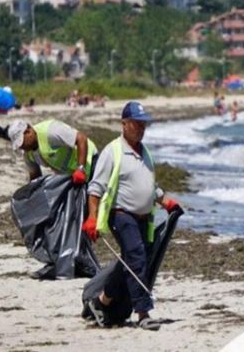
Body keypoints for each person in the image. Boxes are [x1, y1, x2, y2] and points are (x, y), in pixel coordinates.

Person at [81, 101, 181, 330]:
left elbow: (148, 184)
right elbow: (95, 188)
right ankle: (143, 313)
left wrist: (166, 201)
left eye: (143, 124)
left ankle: (101, 301)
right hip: (121, 215)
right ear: (124, 124)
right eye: (136, 123)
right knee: (136, 256)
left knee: (130, 261)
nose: (141, 128)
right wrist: (92, 218)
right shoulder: (112, 151)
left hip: (144, 219)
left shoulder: (144, 151)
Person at [7, 119, 98, 184]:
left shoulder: (51, 131)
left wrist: (80, 168)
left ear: (28, 131)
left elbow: (81, 138)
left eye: (22, 142)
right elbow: (35, 177)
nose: (22, 147)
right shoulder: (28, 154)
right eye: (19, 145)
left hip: (89, 161)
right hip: (72, 175)